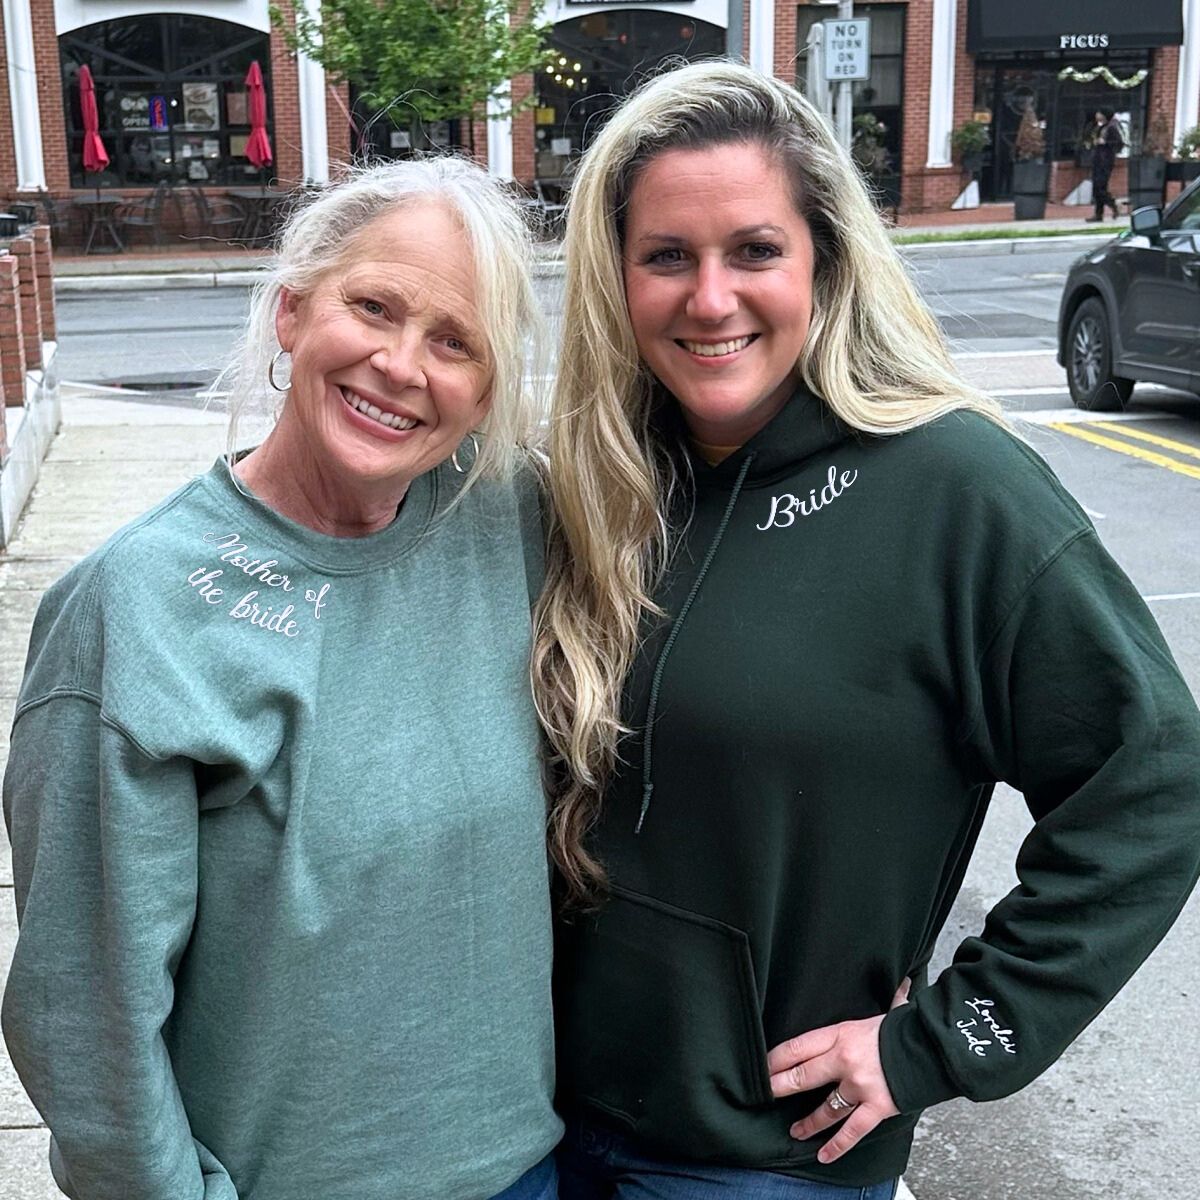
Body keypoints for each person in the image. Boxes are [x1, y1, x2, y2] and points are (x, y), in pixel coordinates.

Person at [532, 60, 1200, 1198]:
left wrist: (947, 1039)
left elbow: (1155, 782)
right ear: (615, 276)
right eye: (665, 257)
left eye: (754, 249)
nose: (709, 298)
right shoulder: (606, 486)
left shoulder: (953, 488)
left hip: (763, 1162)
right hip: (543, 1125)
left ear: (823, 262)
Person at [3, 158, 561, 1200]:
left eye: (455, 343)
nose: (401, 365)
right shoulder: (135, 610)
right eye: (374, 307)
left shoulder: (507, 525)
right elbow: (86, 1019)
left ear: (486, 391)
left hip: (529, 1169)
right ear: (293, 312)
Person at [1087, 107, 1123, 222]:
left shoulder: (1111, 128)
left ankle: (1114, 205)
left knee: (1100, 187)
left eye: (1099, 113)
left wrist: (1105, 142)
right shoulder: (1099, 127)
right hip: (1097, 160)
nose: (1097, 114)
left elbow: (1119, 143)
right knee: (1097, 188)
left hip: (1105, 161)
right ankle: (1098, 214)